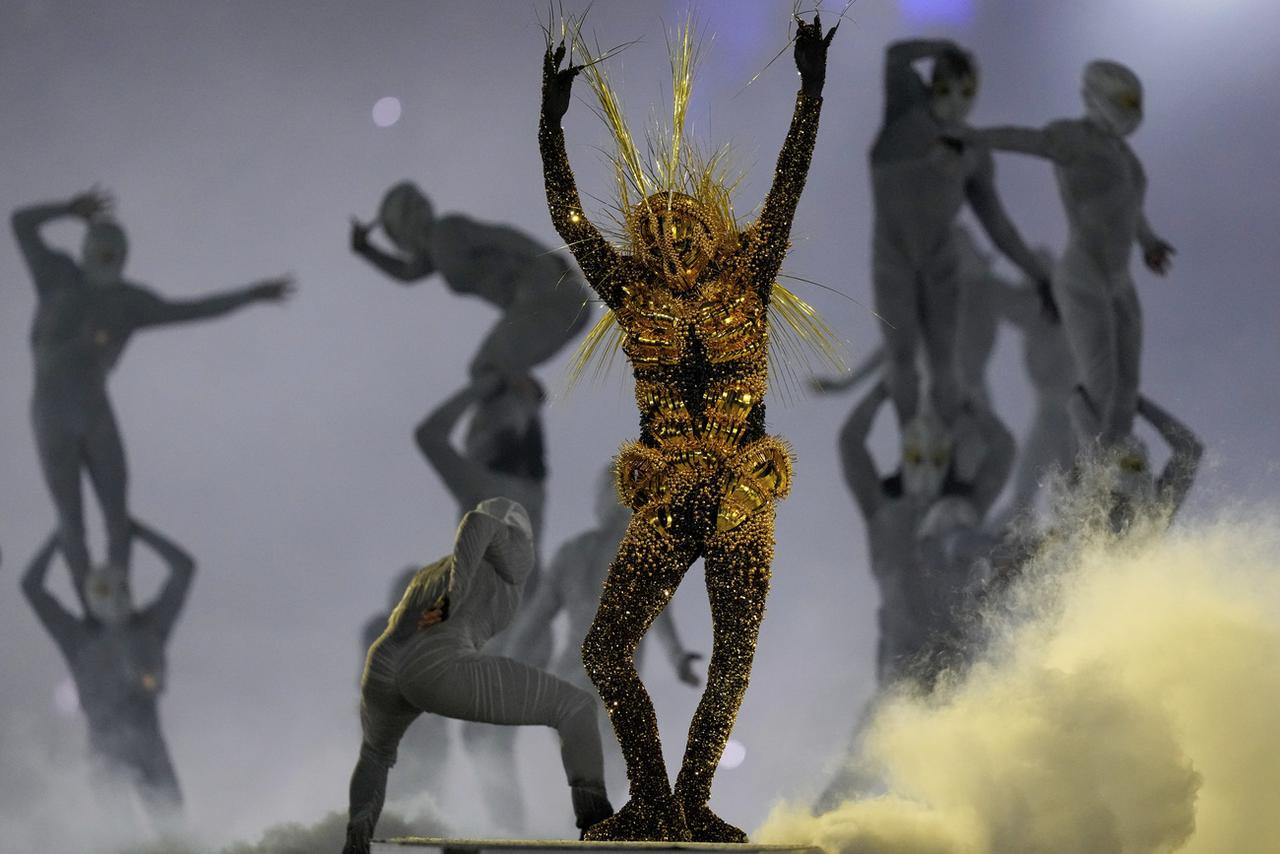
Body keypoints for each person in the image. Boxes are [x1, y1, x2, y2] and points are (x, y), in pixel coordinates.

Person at [539, 14, 835, 841]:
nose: (671, 241)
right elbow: (569, 222)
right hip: (668, 492)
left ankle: (690, 801)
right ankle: (652, 800)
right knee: (605, 650)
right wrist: (549, 123)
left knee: (734, 653)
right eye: (655, 233)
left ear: (713, 229)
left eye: (686, 227)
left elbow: (791, 179)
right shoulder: (631, 294)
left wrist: (812, 90)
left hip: (742, 493)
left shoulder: (753, 269)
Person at [12, 189, 292, 602]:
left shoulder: (128, 303)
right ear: (87, 251)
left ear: (122, 261)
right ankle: (91, 610)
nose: (105, 263)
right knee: (72, 519)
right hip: (53, 413)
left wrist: (249, 295)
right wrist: (68, 210)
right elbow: (20, 223)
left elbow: (194, 309)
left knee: (114, 511)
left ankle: (118, 599)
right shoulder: (58, 276)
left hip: (91, 411)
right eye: (100, 253)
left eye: (113, 257)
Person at [343, 499, 612, 854]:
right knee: (575, 707)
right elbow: (477, 524)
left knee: (376, 755)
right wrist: (455, 597)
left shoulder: (429, 574)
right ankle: (596, 823)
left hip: (385, 668)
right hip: (435, 666)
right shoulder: (494, 553)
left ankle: (357, 840)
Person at [959, 60, 1174, 446]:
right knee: (1100, 380)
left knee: (1127, 383)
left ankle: (1117, 469)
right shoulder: (1073, 138)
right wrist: (967, 135)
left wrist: (1150, 244)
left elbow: (1131, 210)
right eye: (1124, 101)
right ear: (1098, 99)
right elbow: (1025, 139)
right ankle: (1091, 469)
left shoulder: (1129, 161)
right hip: (1084, 274)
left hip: (1120, 279)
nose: (1131, 113)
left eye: (1134, 103)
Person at [869, 40, 1051, 428]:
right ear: (933, 85)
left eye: (967, 93)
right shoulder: (905, 107)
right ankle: (911, 445)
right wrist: (944, 47)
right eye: (948, 89)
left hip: (939, 263)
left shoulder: (974, 152)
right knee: (901, 357)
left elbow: (998, 225)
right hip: (894, 258)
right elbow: (896, 57)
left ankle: (947, 453)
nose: (957, 102)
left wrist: (1039, 276)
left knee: (943, 362)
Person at [412, 370, 550, 831]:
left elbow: (428, 435)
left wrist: (480, 390)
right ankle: (504, 831)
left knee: (476, 738)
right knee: (479, 739)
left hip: (503, 628)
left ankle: (503, 833)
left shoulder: (487, 486)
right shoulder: (528, 490)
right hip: (513, 627)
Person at [835, 382, 1012, 685]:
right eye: (917, 457)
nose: (926, 470)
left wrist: (975, 408)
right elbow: (850, 443)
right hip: (901, 657)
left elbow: (1002, 452)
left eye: (937, 458)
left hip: (956, 652)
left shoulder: (961, 508)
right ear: (904, 456)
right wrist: (881, 391)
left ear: (948, 461)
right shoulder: (883, 510)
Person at [22, 521, 195, 818]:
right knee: (119, 837)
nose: (114, 597)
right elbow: (32, 587)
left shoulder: (149, 628)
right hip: (107, 752)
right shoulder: (78, 638)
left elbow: (184, 569)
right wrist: (60, 535)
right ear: (90, 599)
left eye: (121, 587)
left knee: (172, 829)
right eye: (103, 590)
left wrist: (137, 529)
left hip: (148, 747)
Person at [351, 182, 590, 382]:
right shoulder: (435, 253)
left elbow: (504, 237)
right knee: (492, 372)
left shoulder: (447, 231)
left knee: (487, 368)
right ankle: (520, 401)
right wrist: (366, 250)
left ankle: (517, 410)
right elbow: (406, 272)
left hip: (547, 296)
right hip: (540, 309)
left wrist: (554, 264)